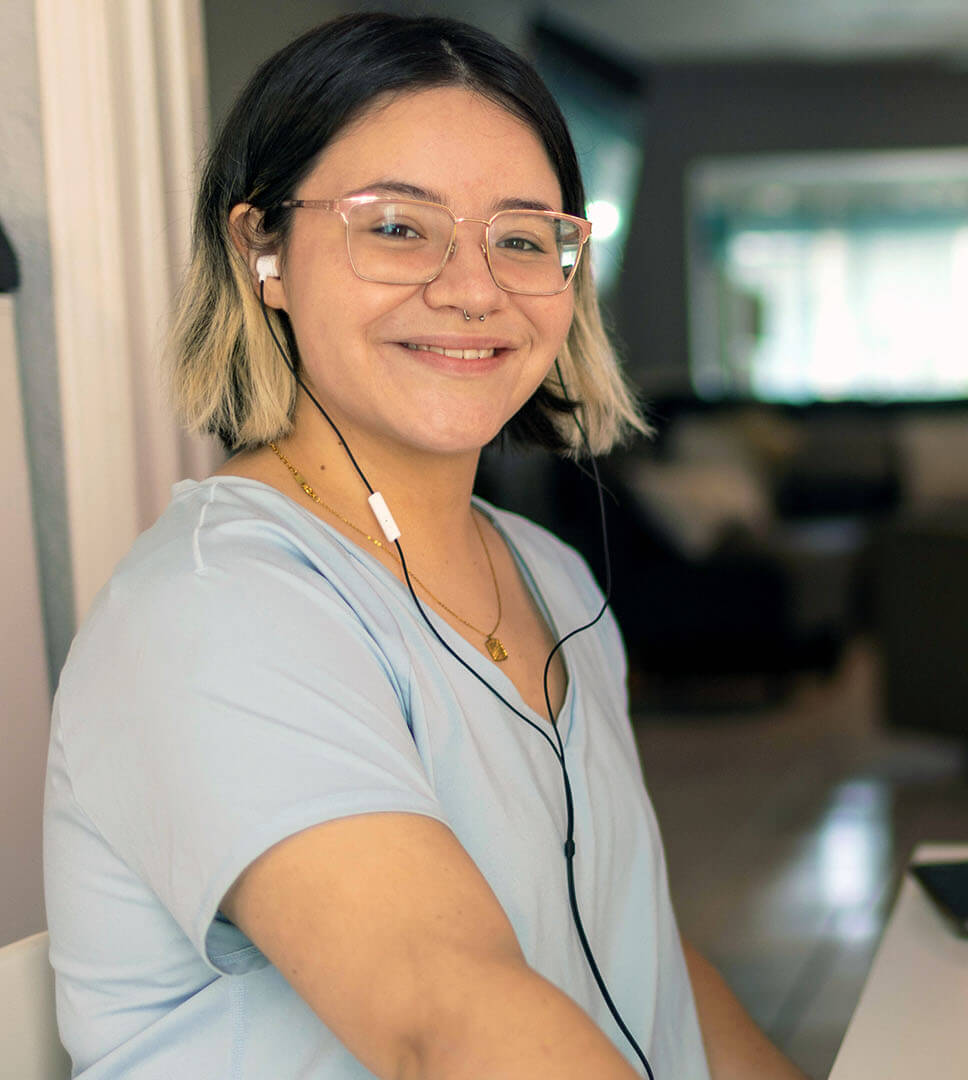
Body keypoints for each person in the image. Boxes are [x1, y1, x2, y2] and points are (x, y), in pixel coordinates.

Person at [41, 14, 806, 1079]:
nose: (472, 286)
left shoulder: (550, 573)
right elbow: (447, 1023)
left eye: (524, 236)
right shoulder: (214, 608)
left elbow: (640, 962)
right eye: (398, 227)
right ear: (261, 250)